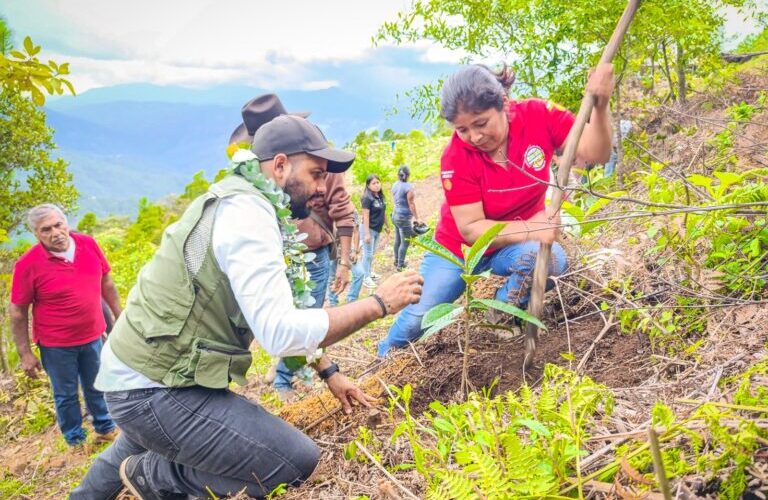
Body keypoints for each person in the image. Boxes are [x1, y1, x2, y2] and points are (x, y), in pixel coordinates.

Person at [72, 111, 423, 499]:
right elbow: (280, 332)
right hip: (154, 388)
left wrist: (329, 372)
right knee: (293, 461)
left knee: (142, 436)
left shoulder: (241, 199)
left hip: (139, 374)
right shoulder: (248, 218)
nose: (323, 187)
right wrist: (378, 303)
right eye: (317, 174)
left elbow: (283, 304)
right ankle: (154, 476)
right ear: (279, 166)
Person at [379, 63, 614, 357]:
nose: (474, 137)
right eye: (462, 129)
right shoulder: (456, 156)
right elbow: (471, 228)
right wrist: (533, 228)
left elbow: (597, 153)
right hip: (460, 250)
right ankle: (384, 357)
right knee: (418, 320)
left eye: (481, 123)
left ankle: (499, 315)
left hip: (514, 245)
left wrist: (601, 106)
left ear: (504, 103)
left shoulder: (539, 116)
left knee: (550, 260)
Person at [9, 204, 121, 447]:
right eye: (45, 229)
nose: (55, 232)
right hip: (56, 344)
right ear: (37, 235)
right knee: (65, 395)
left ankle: (104, 428)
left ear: (66, 223)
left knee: (97, 384)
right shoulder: (28, 264)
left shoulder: (88, 244)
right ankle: (75, 440)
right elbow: (18, 311)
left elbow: (107, 283)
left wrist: (118, 315)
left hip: (93, 335)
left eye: (58, 225)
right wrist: (25, 353)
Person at [272, 172, 356, 398]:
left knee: (309, 316)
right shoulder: (279, 165)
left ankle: (284, 376)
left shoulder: (328, 169)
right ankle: (284, 373)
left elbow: (343, 212)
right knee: (287, 316)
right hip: (280, 255)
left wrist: (345, 263)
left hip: (314, 255)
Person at [327, 210, 366, 306]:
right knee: (332, 277)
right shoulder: (327, 209)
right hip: (331, 250)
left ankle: (351, 300)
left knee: (359, 273)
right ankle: (333, 303)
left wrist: (355, 251)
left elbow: (356, 232)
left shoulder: (352, 211)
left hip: (347, 249)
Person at [391, 165, 421, 271]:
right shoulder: (408, 187)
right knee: (405, 241)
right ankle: (400, 265)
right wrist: (417, 218)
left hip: (395, 215)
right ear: (408, 175)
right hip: (403, 218)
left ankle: (396, 260)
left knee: (398, 239)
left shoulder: (394, 185)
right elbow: (411, 203)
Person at [361, 174, 388, 289]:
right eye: (373, 183)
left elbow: (384, 212)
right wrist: (366, 233)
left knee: (371, 254)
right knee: (367, 254)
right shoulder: (367, 198)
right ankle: (365, 277)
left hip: (377, 229)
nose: (377, 185)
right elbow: (365, 216)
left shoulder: (380, 196)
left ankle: (369, 272)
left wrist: (387, 225)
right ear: (368, 185)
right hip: (369, 229)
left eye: (378, 182)